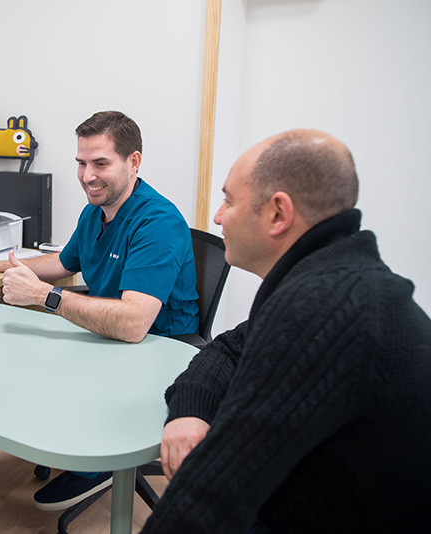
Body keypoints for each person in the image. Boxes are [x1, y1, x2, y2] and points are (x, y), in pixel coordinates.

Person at [142, 129, 431, 533]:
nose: (217, 216)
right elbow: (227, 349)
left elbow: (211, 495)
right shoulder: (337, 281)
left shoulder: (326, 310)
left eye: (228, 199)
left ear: (278, 213)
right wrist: (190, 408)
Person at [0, 110, 200, 510]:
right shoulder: (96, 211)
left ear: (134, 162)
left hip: (159, 343)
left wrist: (46, 297)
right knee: (31, 351)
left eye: (100, 163)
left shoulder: (157, 221)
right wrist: (1, 264)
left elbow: (135, 324)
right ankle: (68, 440)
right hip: (110, 333)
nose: (87, 176)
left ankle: (99, 467)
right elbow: (62, 264)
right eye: (81, 163)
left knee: (52, 353)